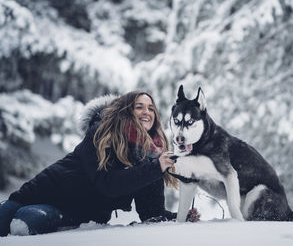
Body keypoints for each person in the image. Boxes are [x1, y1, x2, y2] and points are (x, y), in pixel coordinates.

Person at [0, 91, 187, 236]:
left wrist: (182, 216)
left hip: (76, 213)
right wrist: (154, 168)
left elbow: (151, 214)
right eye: (139, 107)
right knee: (6, 218)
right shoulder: (102, 134)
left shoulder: (152, 157)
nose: (147, 112)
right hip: (41, 193)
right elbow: (108, 183)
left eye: (150, 108)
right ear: (126, 111)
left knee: (26, 220)